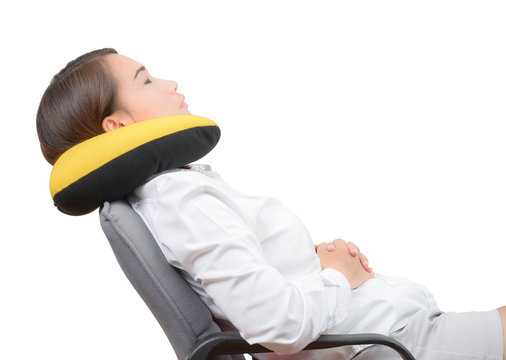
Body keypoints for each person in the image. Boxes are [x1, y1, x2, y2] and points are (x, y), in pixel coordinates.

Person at [37, 48, 505, 360]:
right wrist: (339, 274)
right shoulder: (181, 201)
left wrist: (325, 271)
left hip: (390, 334)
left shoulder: (174, 191)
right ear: (116, 127)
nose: (170, 82)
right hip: (384, 348)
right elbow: (278, 325)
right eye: (146, 80)